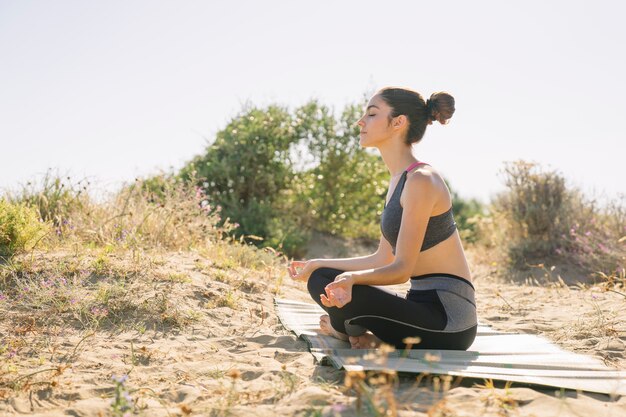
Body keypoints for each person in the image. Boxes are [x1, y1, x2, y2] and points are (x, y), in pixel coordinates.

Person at [287, 87, 476, 350]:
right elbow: (381, 259)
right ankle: (355, 331)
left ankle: (345, 330)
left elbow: (401, 270)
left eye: (372, 114)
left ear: (398, 122)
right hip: (417, 304)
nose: (360, 122)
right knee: (322, 276)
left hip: (448, 320)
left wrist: (353, 279)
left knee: (341, 285)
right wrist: (317, 263)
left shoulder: (421, 180)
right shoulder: (398, 180)